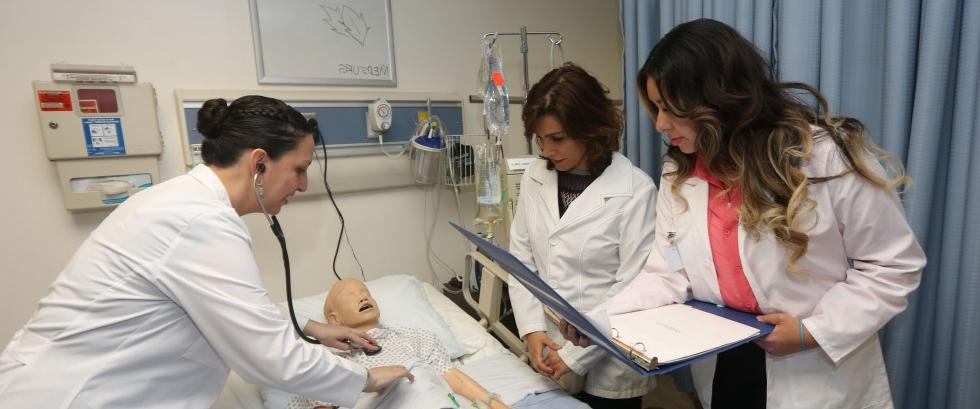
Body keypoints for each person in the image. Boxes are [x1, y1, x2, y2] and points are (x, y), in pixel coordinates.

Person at [560, 19, 927, 409]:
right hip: (727, 361)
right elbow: (668, 275)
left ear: (720, 98)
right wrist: (598, 318)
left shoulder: (820, 156)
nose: (660, 124)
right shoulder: (680, 172)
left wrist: (813, 332)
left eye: (670, 108)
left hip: (814, 367)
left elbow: (893, 264)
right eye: (655, 107)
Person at [0, 96, 412, 408]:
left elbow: (228, 313)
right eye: (299, 169)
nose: (303, 186)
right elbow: (267, 359)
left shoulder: (183, 203)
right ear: (259, 164)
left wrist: (312, 329)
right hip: (75, 394)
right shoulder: (199, 221)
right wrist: (363, 377)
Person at [507, 62, 658, 409]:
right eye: (540, 139)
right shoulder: (534, 177)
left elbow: (633, 286)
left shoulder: (635, 190)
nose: (546, 150)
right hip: (548, 342)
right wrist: (531, 331)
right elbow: (520, 261)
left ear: (590, 129)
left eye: (557, 139)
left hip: (611, 352)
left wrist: (578, 356)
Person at [288, 278, 592, 409]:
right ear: (332, 316)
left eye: (365, 290)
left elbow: (449, 375)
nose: (364, 296)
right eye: (350, 295)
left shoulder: (414, 337)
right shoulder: (319, 358)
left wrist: (493, 404)